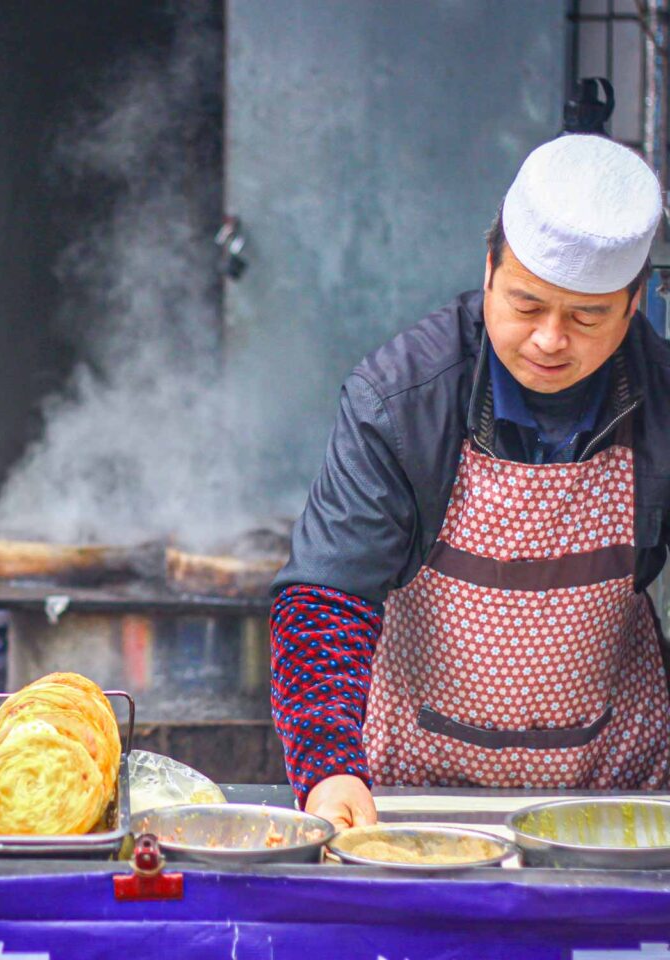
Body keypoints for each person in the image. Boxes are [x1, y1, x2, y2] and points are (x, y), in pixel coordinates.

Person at [270, 134, 670, 830]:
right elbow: (327, 597)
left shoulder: (663, 398)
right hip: (414, 798)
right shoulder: (399, 400)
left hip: (614, 800)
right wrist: (328, 768)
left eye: (586, 316)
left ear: (633, 304)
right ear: (488, 269)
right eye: (526, 305)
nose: (549, 339)